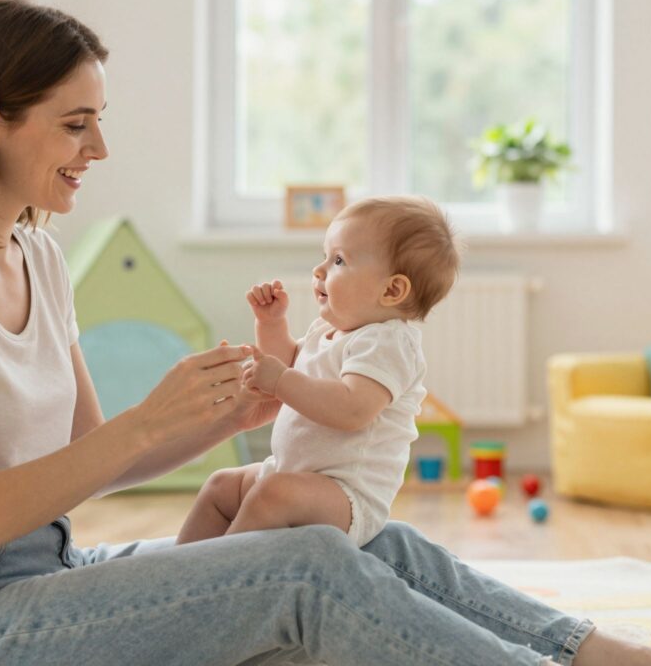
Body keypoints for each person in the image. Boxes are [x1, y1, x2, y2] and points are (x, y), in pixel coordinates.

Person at [0, 0, 651, 666]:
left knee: (367, 539)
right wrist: (151, 421)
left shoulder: (37, 255)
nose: (100, 151)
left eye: (100, 122)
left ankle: (621, 659)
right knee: (303, 572)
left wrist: (219, 413)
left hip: (48, 572)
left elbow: (92, 457)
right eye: (76, 124)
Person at [176, 196, 456, 548]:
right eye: (324, 256)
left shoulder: (389, 342)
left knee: (271, 495)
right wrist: (272, 324)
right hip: (290, 474)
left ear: (392, 290)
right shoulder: (326, 331)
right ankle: (179, 573)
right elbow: (290, 365)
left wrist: (280, 378)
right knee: (221, 486)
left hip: (346, 496)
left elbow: (351, 409)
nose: (320, 270)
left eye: (338, 260)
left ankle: (219, 579)